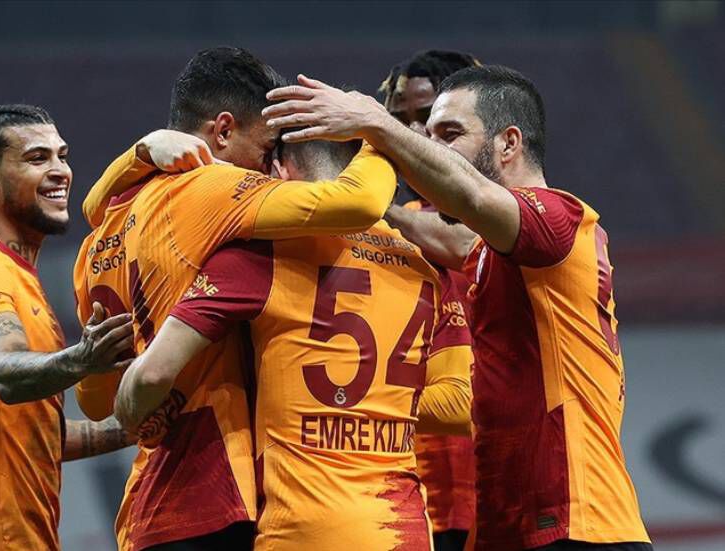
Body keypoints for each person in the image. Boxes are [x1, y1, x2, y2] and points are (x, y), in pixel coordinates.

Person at [263, 67, 651, 551]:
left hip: (578, 521)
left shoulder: (558, 216)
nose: (432, 148)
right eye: (428, 136)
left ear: (509, 144)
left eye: (449, 134)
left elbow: (470, 195)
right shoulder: (490, 251)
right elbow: (451, 233)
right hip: (509, 526)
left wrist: (375, 122)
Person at [73, 46, 398, 551]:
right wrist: (382, 135)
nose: (270, 169)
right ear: (223, 131)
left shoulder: (98, 239)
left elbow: (95, 402)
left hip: (146, 505)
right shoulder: (209, 188)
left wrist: (135, 155)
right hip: (211, 492)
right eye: (266, 150)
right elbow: (355, 202)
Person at [112, 133, 472, 551]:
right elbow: (461, 402)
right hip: (403, 529)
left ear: (279, 170)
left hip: (301, 531)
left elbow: (152, 375)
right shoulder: (424, 263)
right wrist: (375, 405)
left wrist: (127, 407)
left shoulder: (264, 254)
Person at [0, 104, 135, 550]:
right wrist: (83, 359)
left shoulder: (18, 276)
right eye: (37, 158)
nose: (60, 171)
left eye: (62, 156)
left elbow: (39, 436)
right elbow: (5, 372)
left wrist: (147, 422)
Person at [379, 49, 481, 551]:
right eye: (400, 122)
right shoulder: (383, 231)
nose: (413, 134)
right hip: (410, 502)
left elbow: (468, 243)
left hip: (506, 497)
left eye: (429, 119)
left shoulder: (524, 216)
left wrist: (375, 207)